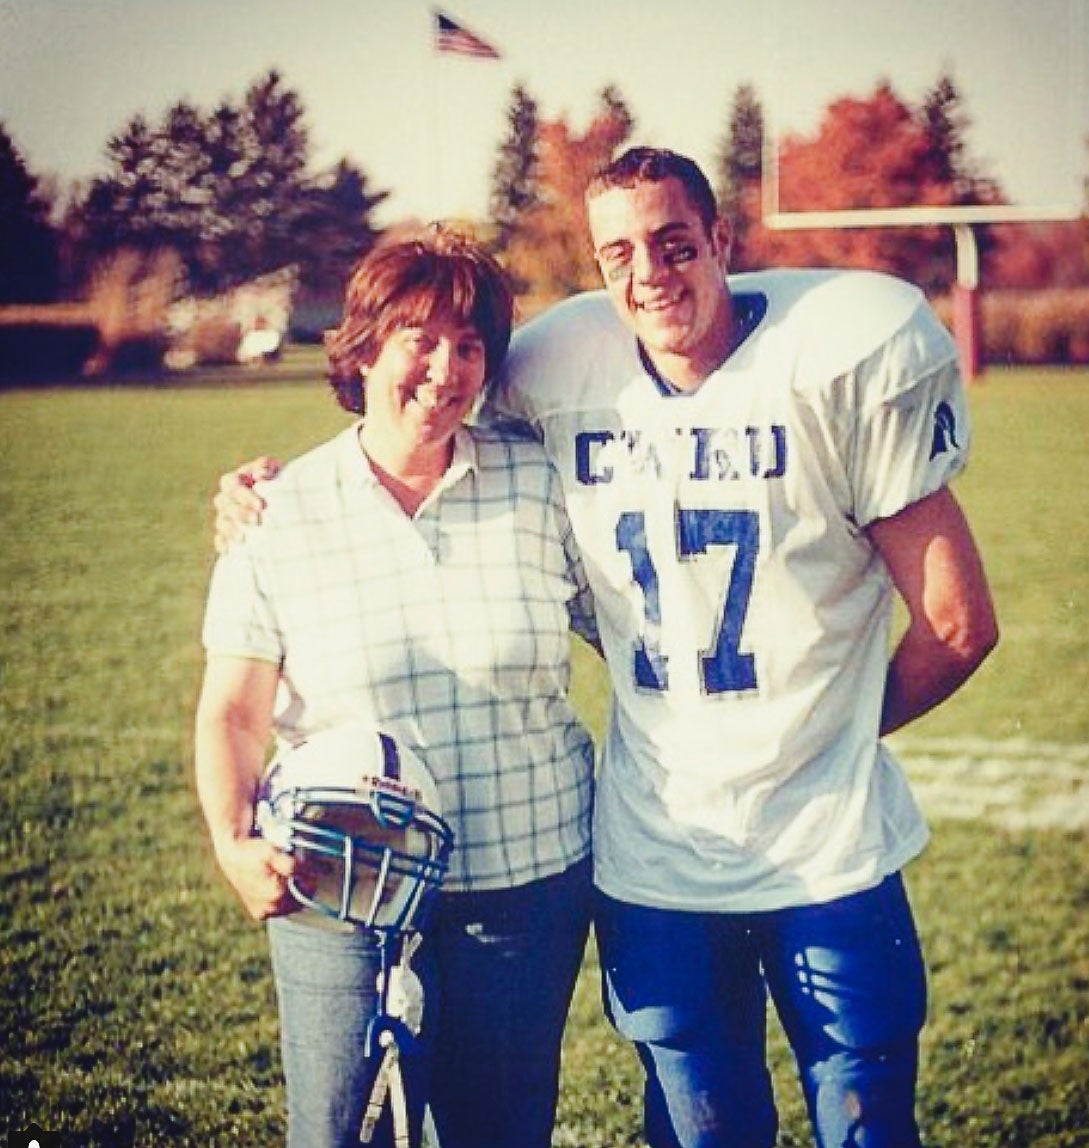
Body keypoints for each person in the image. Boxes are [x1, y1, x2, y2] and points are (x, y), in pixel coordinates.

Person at [216, 148, 999, 1148]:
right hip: (657, 847)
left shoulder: (838, 352)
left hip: (823, 840)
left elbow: (960, 622)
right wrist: (262, 492)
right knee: (700, 1116)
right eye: (619, 251)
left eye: (677, 243)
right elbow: (413, 412)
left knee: (864, 1114)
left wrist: (827, 723)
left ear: (723, 240)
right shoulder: (564, 366)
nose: (650, 272)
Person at [194, 225, 600, 1148]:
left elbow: (638, 631)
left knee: (498, 1134)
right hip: (335, 883)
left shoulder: (540, 486)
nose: (445, 368)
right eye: (420, 337)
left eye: (470, 345)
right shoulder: (278, 509)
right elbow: (232, 710)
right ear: (366, 347)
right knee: (340, 1136)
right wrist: (230, 841)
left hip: (522, 886)